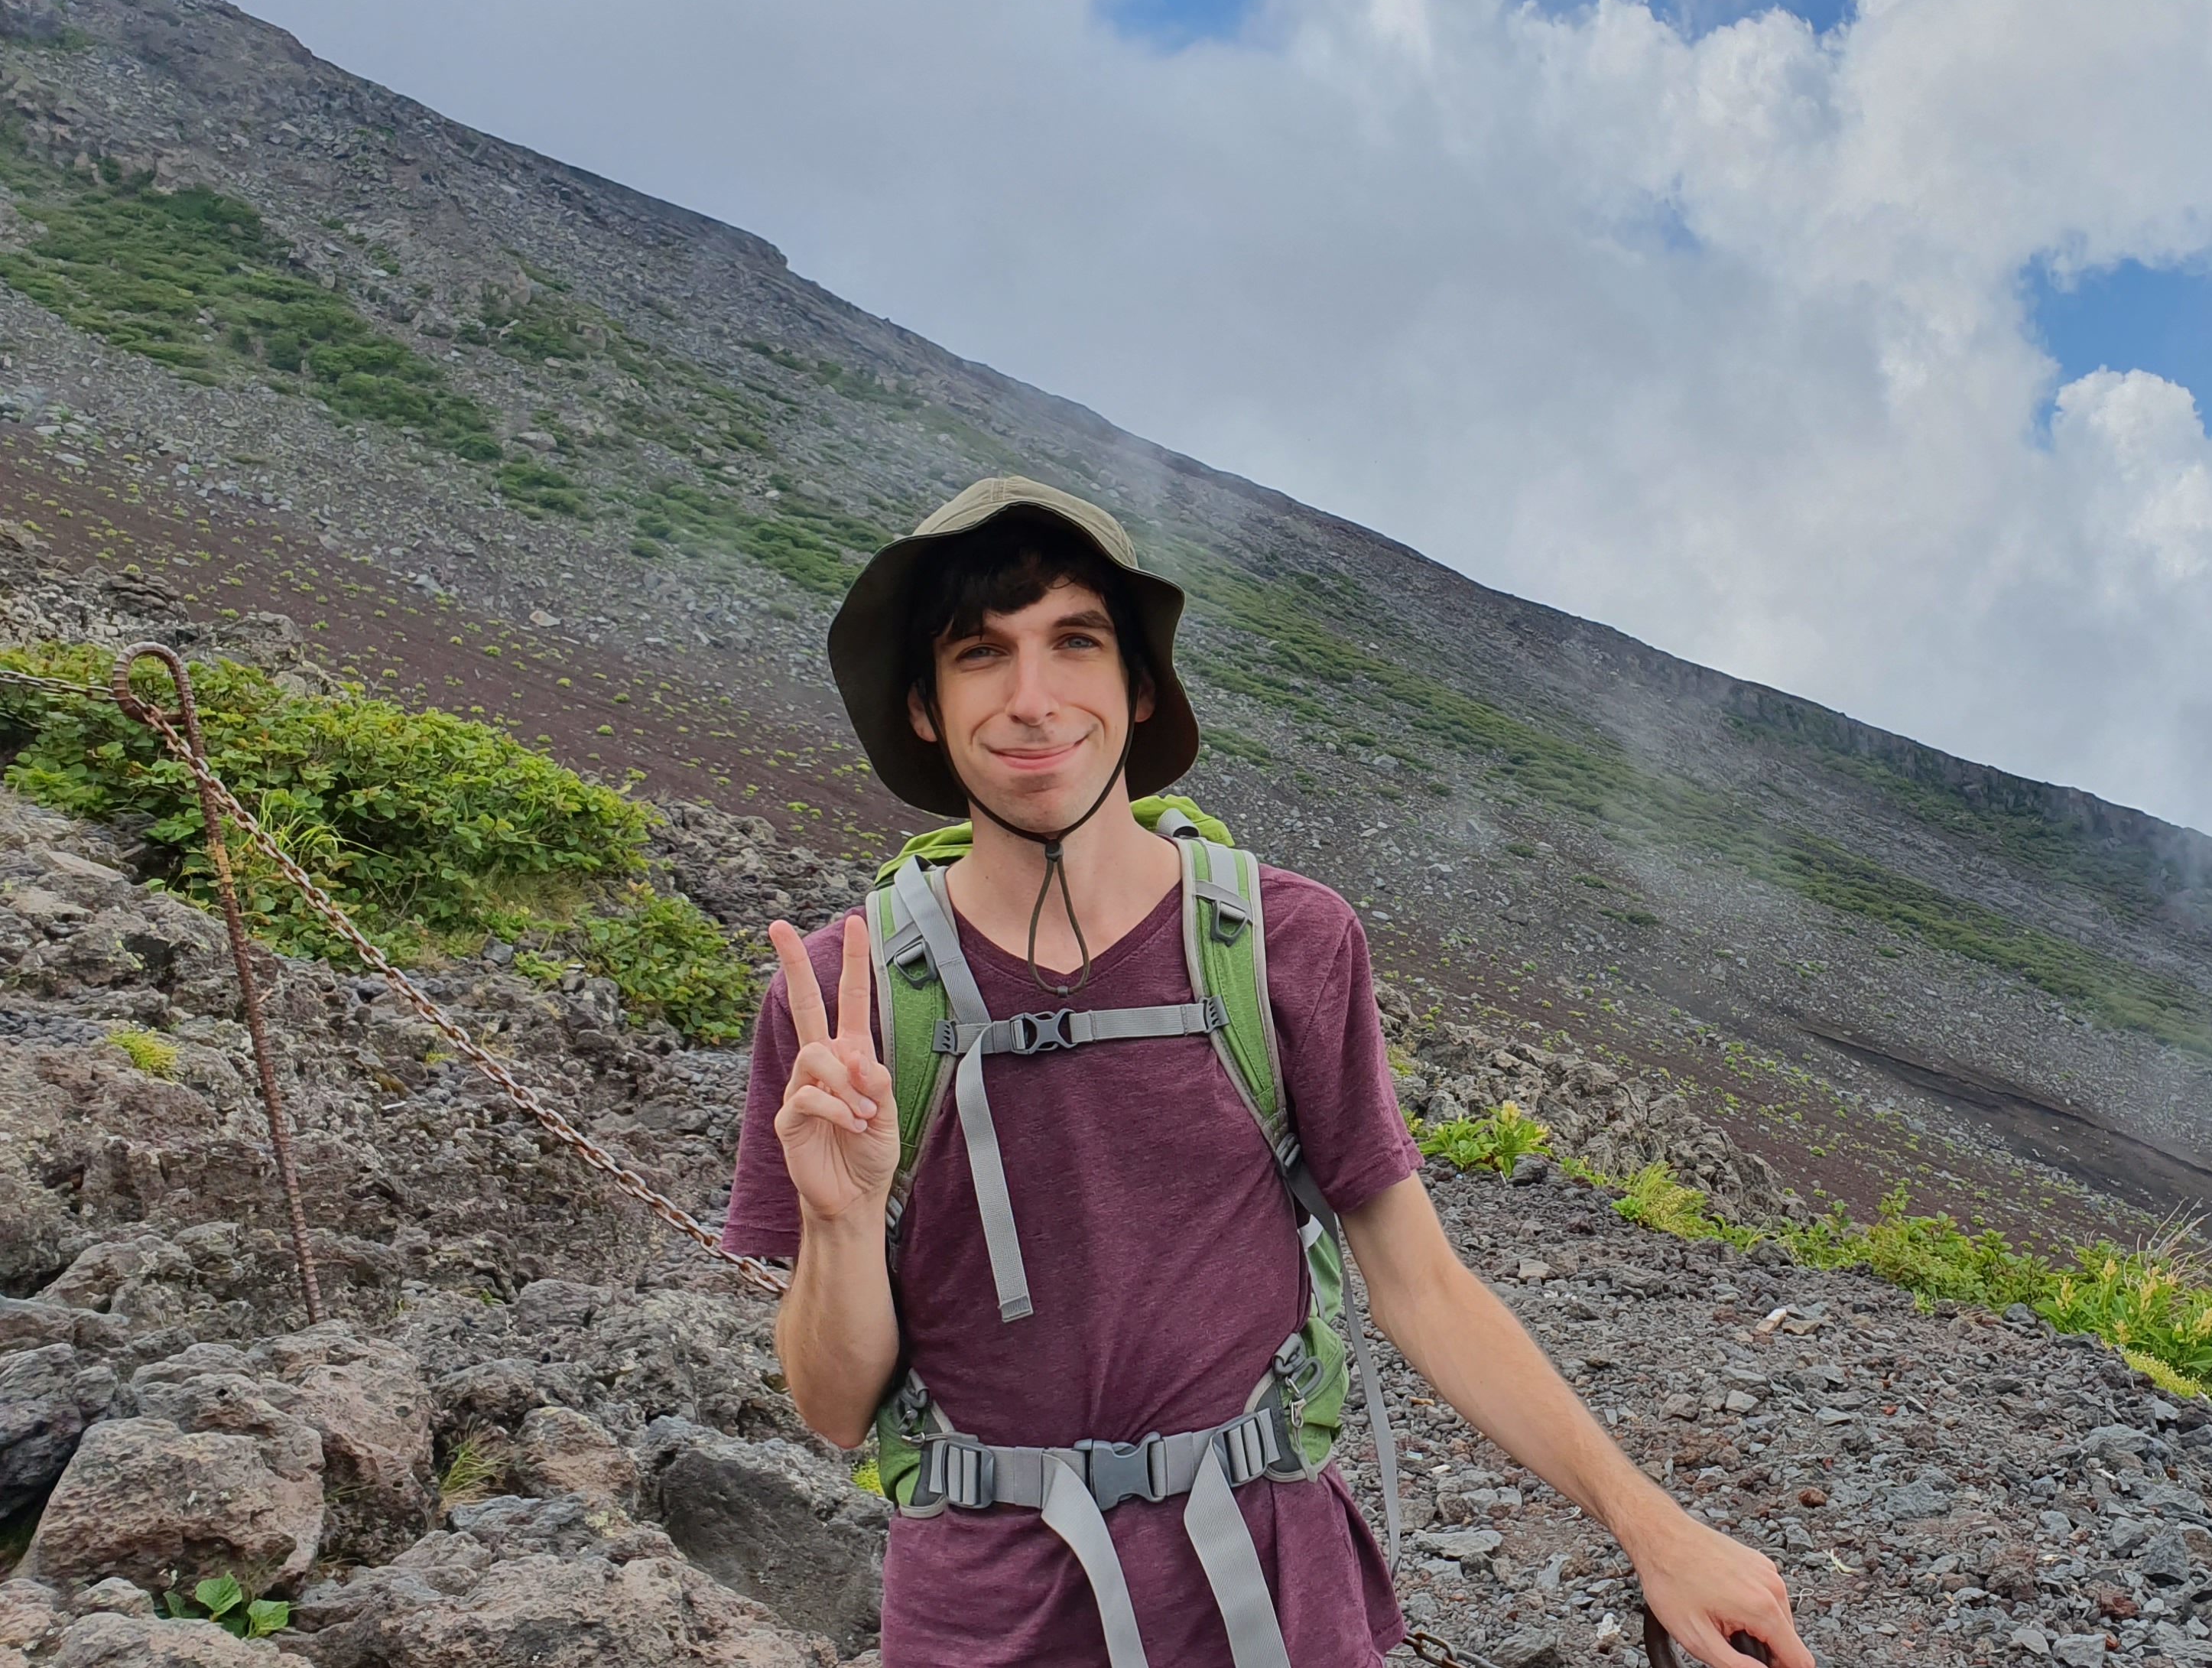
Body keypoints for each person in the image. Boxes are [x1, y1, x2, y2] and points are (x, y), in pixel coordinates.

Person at [723, 476, 1812, 1666]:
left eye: (1075, 642)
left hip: (1273, 1600)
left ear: (1141, 688)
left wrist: (1651, 1527)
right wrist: (839, 1220)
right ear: (925, 709)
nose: (1032, 700)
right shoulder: (845, 994)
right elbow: (833, 1410)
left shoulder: (1288, 943)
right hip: (985, 1615)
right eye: (980, 655)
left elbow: (1421, 1285)